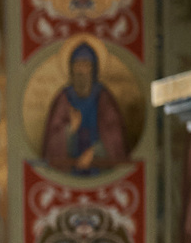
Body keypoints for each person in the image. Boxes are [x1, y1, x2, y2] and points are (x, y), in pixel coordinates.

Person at [36, 40, 131, 175]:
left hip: (100, 169)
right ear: (71, 68)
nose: (81, 70)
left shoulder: (104, 98)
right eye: (77, 65)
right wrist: (69, 129)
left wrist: (94, 151)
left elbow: (115, 136)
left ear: (94, 69)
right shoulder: (63, 98)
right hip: (69, 171)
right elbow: (52, 139)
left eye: (86, 65)